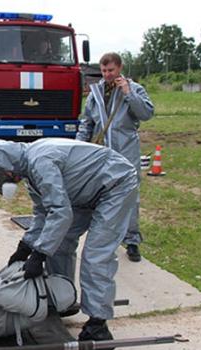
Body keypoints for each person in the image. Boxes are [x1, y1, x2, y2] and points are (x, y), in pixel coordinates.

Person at [0, 138, 139, 347]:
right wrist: (25, 247)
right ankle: (62, 297)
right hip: (83, 192)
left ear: (7, 167)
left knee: (96, 255)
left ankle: (98, 327)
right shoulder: (30, 171)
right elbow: (43, 213)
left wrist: (39, 253)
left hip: (115, 185)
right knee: (60, 245)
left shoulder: (40, 162)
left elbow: (60, 213)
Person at [76, 52, 154, 262]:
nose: (107, 75)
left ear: (119, 68)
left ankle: (132, 240)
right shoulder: (96, 92)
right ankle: (103, 238)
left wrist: (128, 93)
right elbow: (87, 122)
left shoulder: (135, 89)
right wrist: (79, 147)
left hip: (126, 150)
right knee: (99, 194)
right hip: (101, 153)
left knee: (130, 196)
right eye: (104, 71)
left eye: (111, 70)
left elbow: (146, 113)